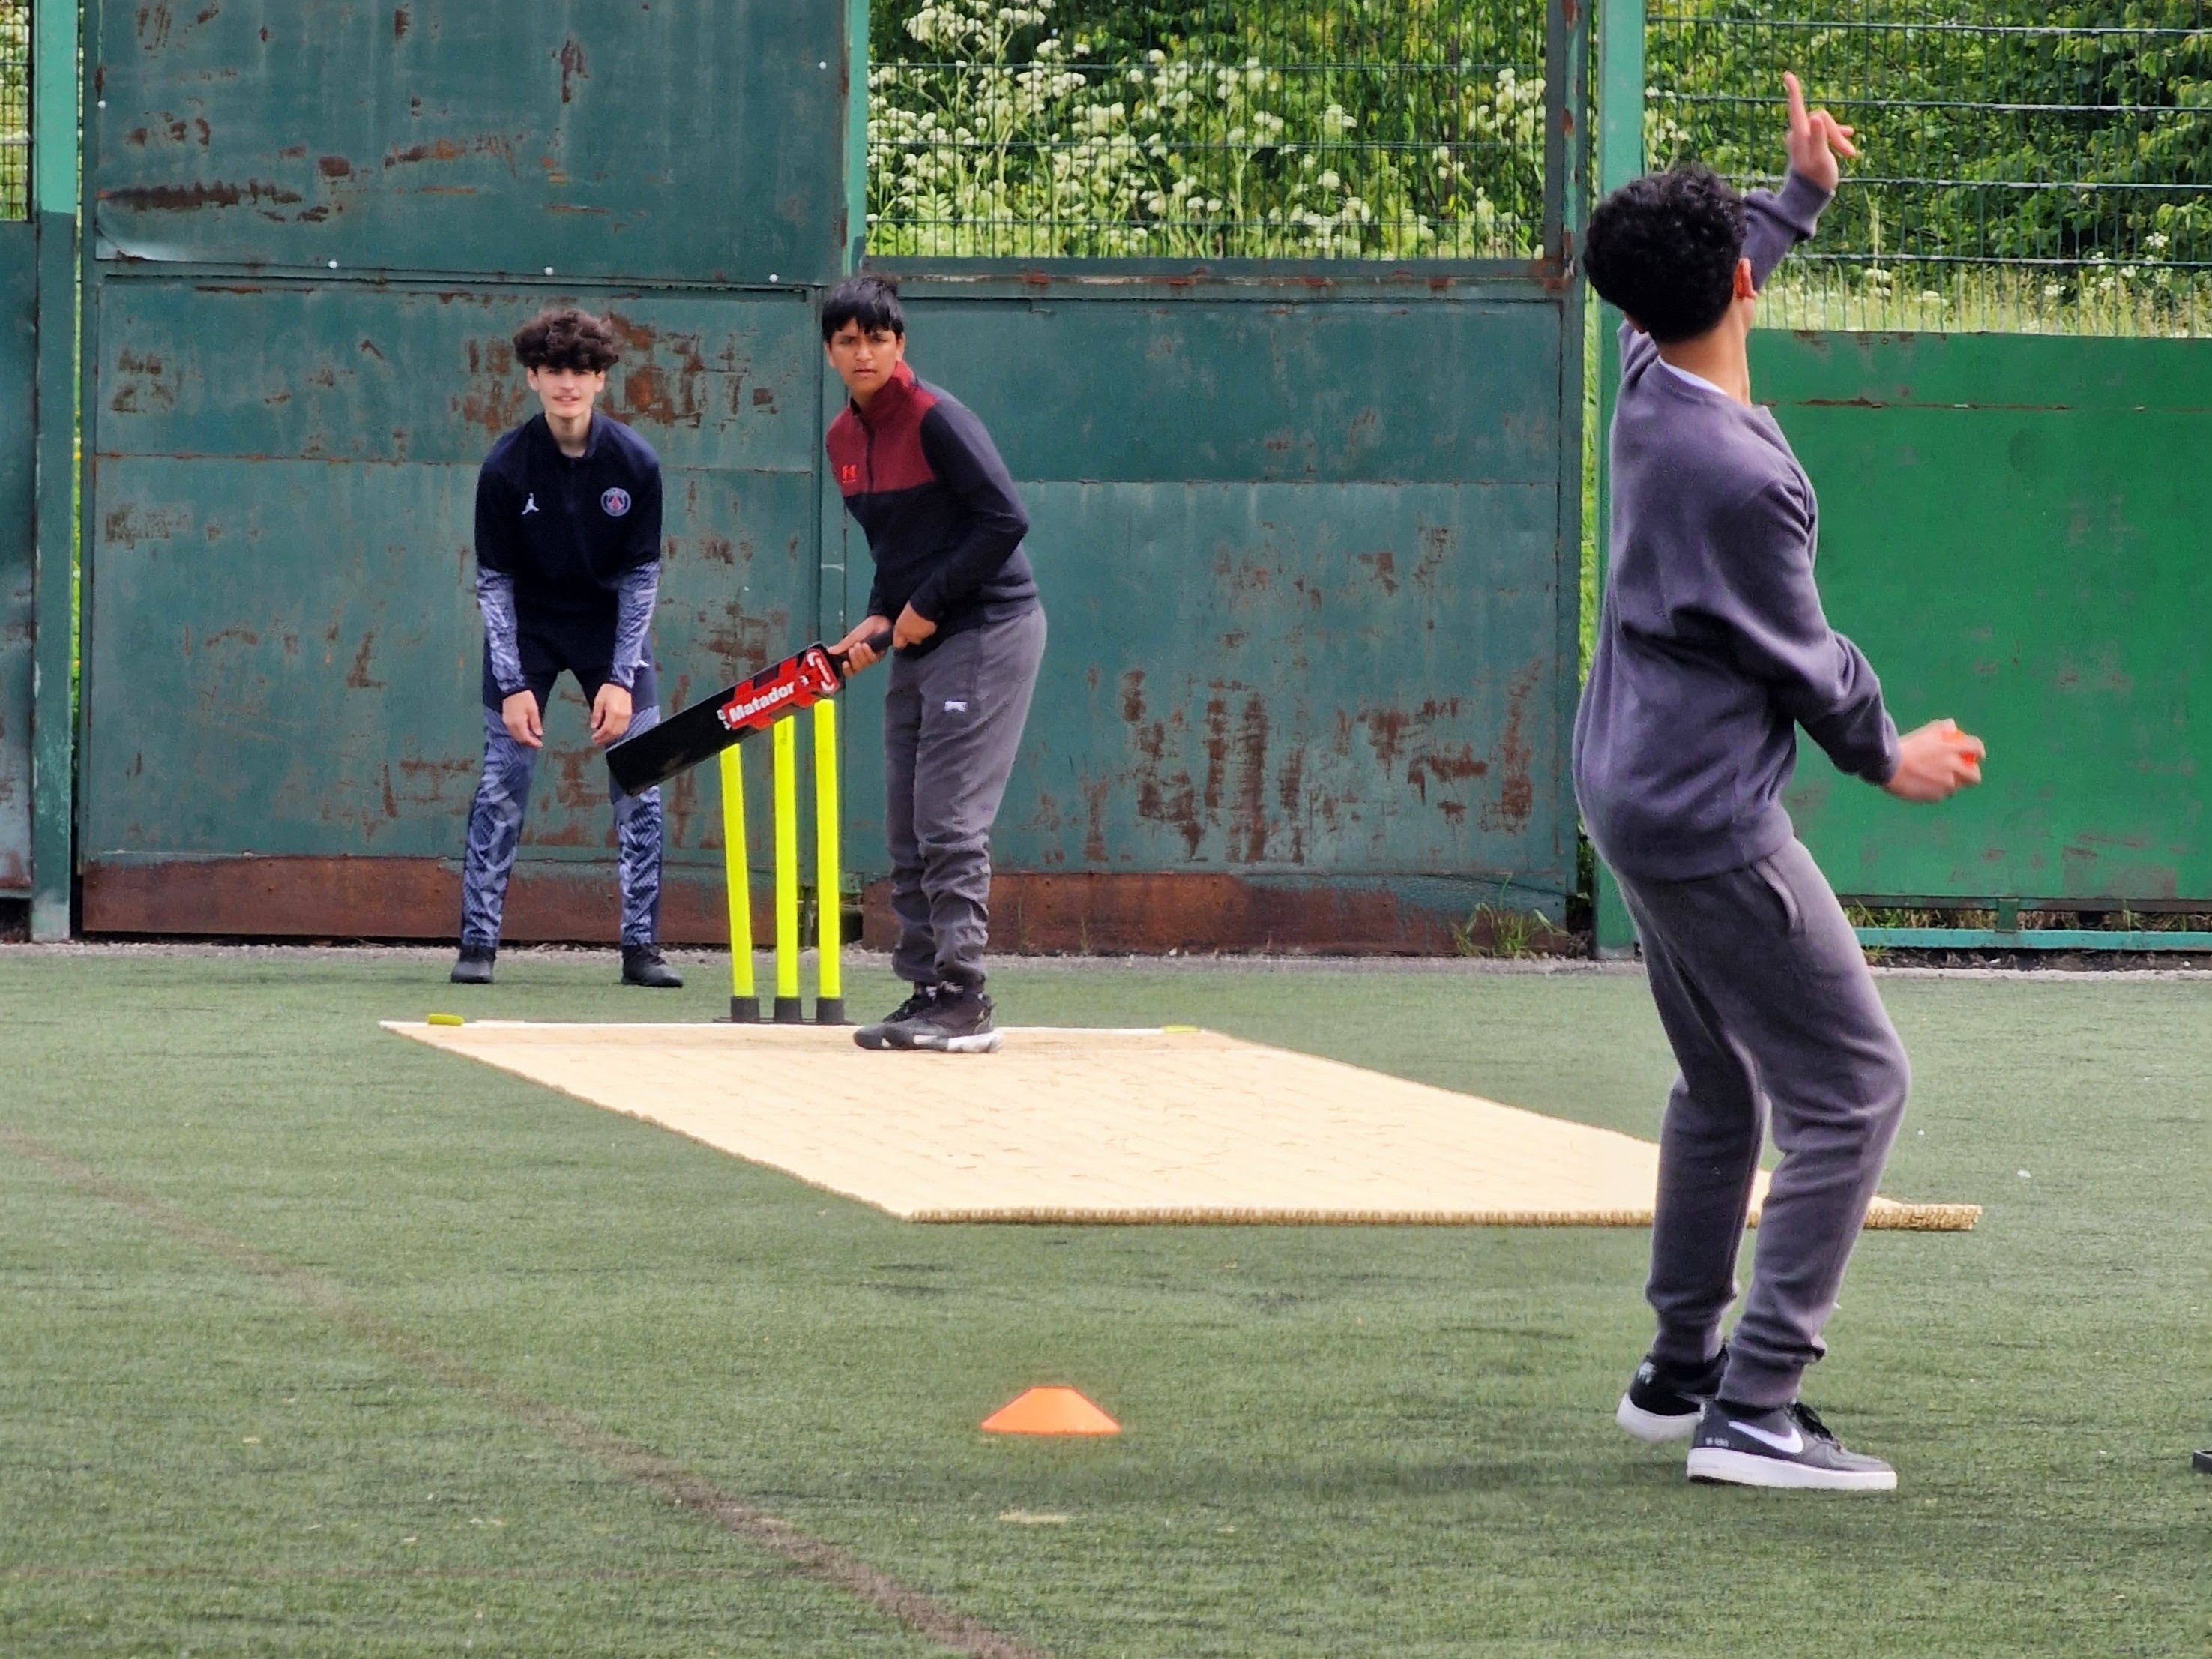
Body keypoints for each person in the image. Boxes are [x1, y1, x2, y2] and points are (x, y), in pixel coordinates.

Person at [1576, 75, 1985, 1490]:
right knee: (1856, 1087)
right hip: (1704, 818)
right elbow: (1800, 654)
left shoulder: (1642, 372)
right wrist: (1887, 750)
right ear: (1737, 288)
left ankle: (1677, 1369)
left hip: (1628, 789)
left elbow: (1719, 266)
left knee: (1718, 1081)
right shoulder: (1742, 478)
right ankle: (1754, 1407)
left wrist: (1799, 195)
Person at [819, 276, 1046, 1053]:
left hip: (988, 627)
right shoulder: (842, 440)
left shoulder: (936, 418)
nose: (864, 353)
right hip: (923, 633)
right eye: (848, 341)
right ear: (829, 352)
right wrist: (881, 613)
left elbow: (1003, 519)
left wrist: (927, 603)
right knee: (905, 825)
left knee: (948, 819)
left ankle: (965, 994)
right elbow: (896, 547)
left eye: (877, 339)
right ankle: (927, 992)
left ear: (899, 344)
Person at [450, 307, 682, 990]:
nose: (567, 383)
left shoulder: (635, 463)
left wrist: (620, 677)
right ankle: (478, 944)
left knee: (640, 777)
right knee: (503, 780)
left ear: (602, 379)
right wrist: (512, 683)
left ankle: (641, 949)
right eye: (553, 370)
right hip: (528, 629)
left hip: (610, 628)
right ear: (532, 377)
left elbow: (641, 577)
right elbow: (494, 582)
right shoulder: (505, 467)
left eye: (582, 370)